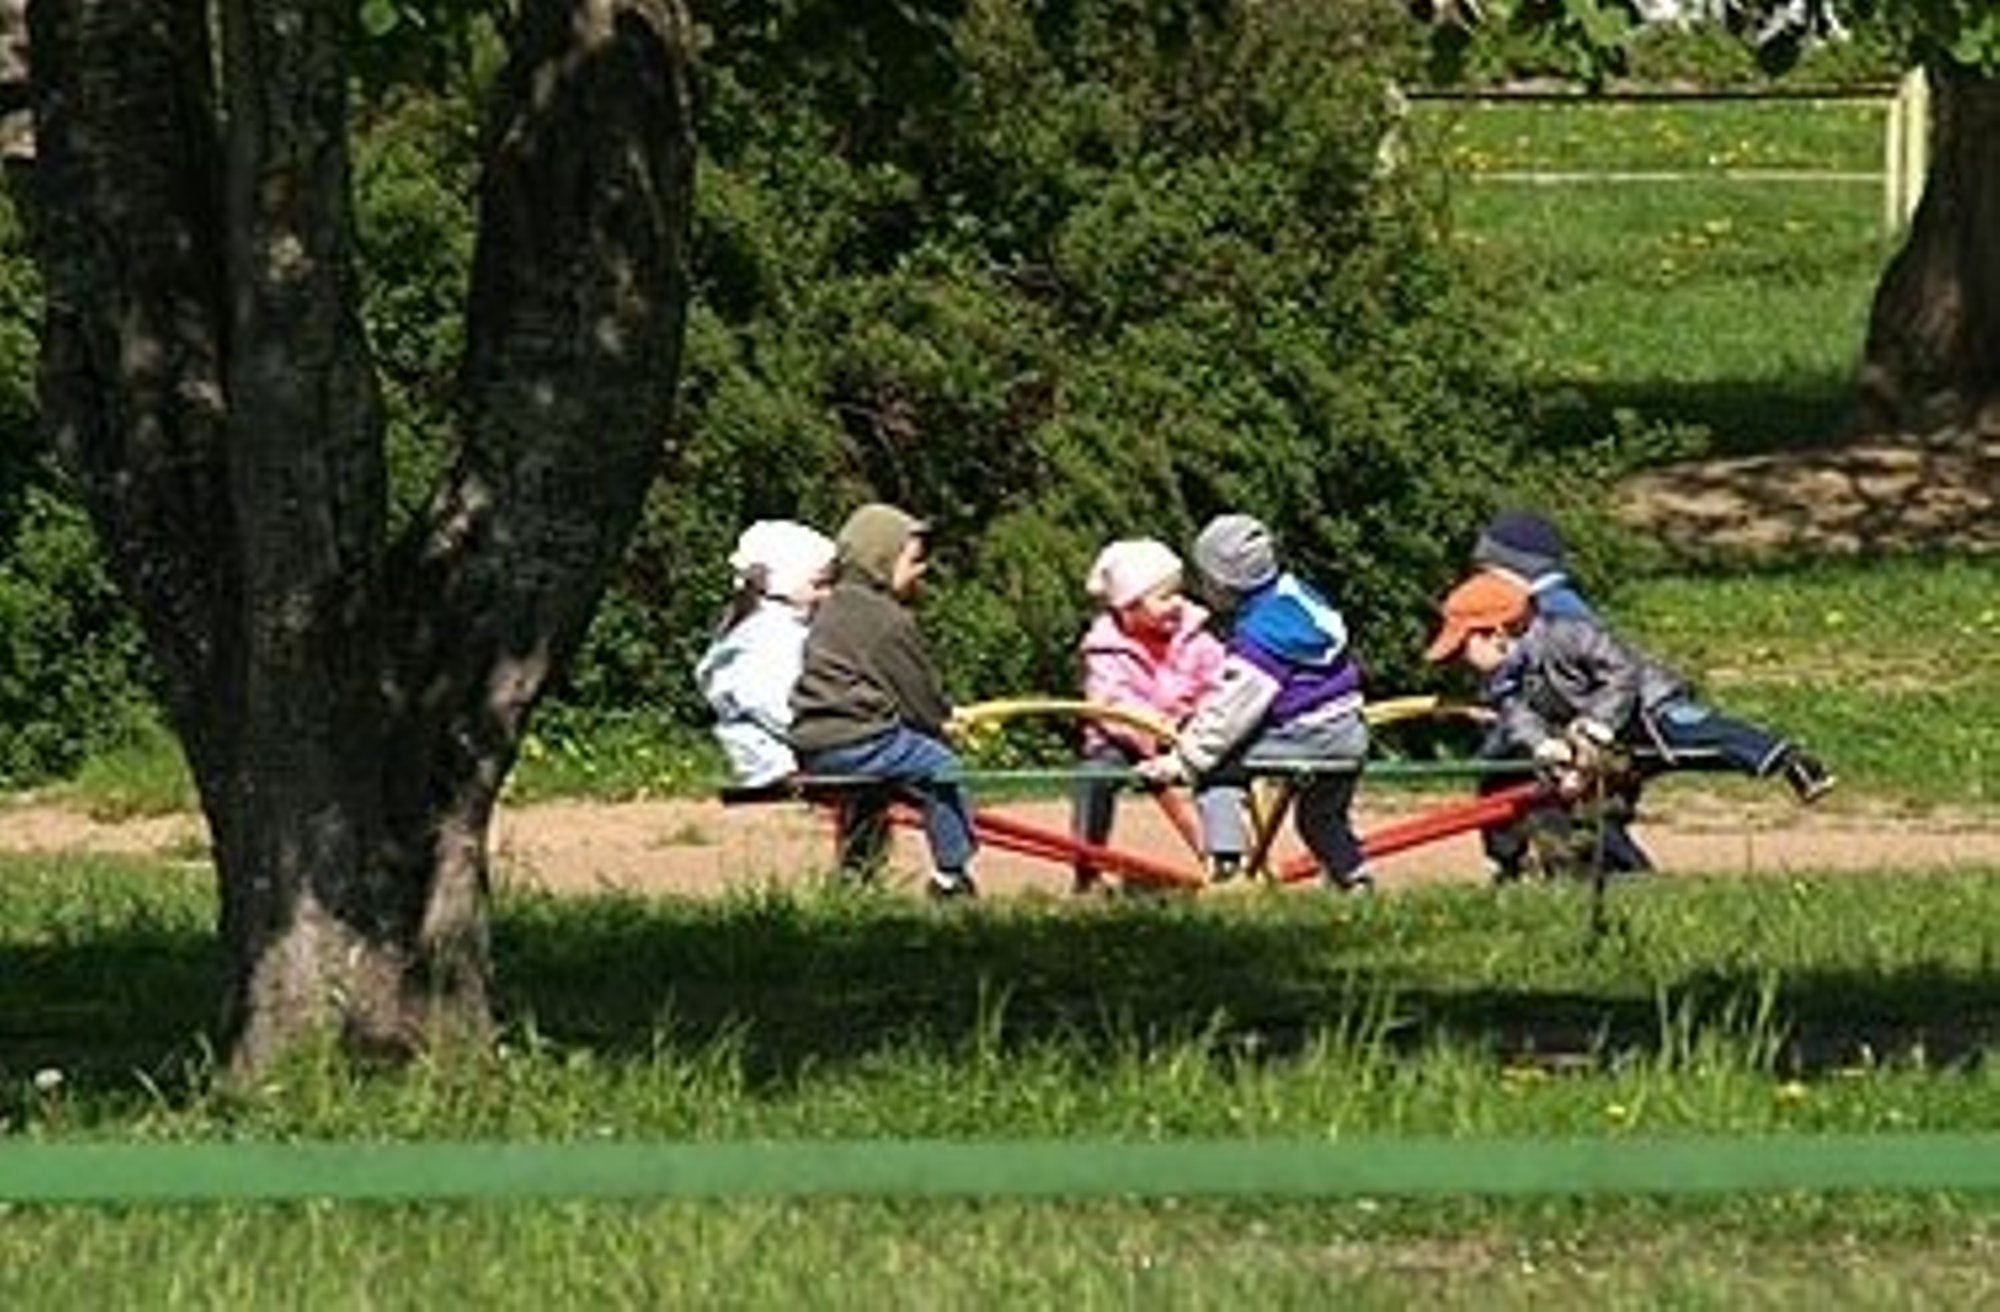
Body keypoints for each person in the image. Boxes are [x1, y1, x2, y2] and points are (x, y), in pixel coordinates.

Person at [1423, 570, 1836, 874]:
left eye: (1464, 646)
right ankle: (1624, 876)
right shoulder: (1504, 677)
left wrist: (1598, 722)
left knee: (1699, 738)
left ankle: (1791, 761)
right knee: (1588, 808)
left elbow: (1622, 670)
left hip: (1646, 709)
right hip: (1599, 741)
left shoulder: (1566, 634)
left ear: (1497, 632)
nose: (1461, 660)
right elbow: (1516, 714)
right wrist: (1545, 747)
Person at [1137, 513, 1374, 893]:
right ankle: (1355, 878)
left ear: (1220, 582)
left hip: (1307, 735)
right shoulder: (1298, 596)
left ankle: (1229, 867)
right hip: (1349, 732)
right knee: (1320, 818)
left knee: (1216, 770)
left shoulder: (1261, 637)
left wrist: (1185, 760)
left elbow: (1232, 713)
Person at [788, 503, 980, 899]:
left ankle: (856, 875)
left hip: (812, 744)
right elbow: (916, 695)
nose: (922, 568)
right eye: (914, 559)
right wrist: (943, 723)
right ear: (880, 560)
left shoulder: (832, 605)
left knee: (870, 793)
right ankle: (951, 875)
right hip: (860, 739)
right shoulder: (889, 619)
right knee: (940, 767)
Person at [1465, 508, 1634, 877]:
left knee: (1567, 819)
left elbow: (1558, 674)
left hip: (1560, 738)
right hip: (1535, 736)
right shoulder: (1548, 604)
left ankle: (1615, 873)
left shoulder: (1554, 610)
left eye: (1487, 571)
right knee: (1520, 805)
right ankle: (1517, 867)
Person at [1071, 538, 1226, 894]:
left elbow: (1219, 683)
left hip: (1185, 732)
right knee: (1094, 777)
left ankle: (1225, 860)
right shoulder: (1104, 647)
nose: (1177, 604)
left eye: (1178, 592)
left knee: (1221, 774)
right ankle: (1087, 868)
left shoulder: (1195, 637)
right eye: (1164, 597)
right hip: (1122, 739)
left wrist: (1197, 723)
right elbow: (1110, 701)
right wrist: (1152, 726)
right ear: (1129, 606)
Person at [693, 519, 837, 787]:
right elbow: (773, 704)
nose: (828, 595)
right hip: (776, 767)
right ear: (785, 582)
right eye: (819, 585)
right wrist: (834, 732)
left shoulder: (781, 628)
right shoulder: (767, 636)